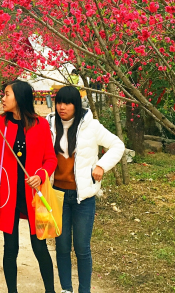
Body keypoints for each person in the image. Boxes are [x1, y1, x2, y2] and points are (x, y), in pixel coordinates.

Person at [46, 85, 125, 293]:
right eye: (59, 102)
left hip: (83, 198)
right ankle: (66, 289)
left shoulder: (91, 126)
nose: (62, 107)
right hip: (58, 196)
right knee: (62, 247)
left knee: (82, 248)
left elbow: (117, 145)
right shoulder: (49, 124)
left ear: (76, 105)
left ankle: (84, 290)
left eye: (67, 103)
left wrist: (101, 166)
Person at [0, 80, 58, 293]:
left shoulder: (40, 124)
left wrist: (41, 175)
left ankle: (50, 291)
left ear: (20, 97)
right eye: (3, 94)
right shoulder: (0, 122)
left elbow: (51, 159)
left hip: (33, 195)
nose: (3, 98)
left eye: (7, 94)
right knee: (10, 248)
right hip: (9, 195)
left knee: (39, 247)